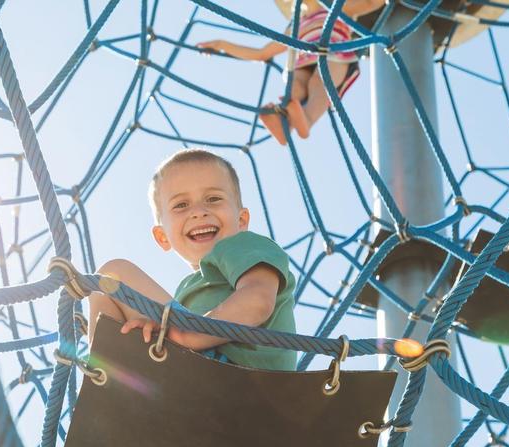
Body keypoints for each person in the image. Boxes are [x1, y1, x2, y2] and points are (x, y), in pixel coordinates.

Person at [88, 148, 297, 371]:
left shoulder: (245, 245)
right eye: (181, 205)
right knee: (108, 297)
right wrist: (157, 330)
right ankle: (110, 378)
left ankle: (103, 380)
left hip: (236, 374)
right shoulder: (188, 289)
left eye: (213, 199)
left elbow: (257, 301)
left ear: (242, 219)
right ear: (162, 237)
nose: (198, 212)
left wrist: (186, 334)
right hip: (196, 382)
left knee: (113, 275)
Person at [197, 0, 384, 145]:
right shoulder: (296, 25)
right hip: (304, 62)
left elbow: (371, 3)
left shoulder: (337, 8)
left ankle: (307, 121)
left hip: (336, 57)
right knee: (295, 87)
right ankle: (284, 125)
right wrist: (222, 44)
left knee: (319, 83)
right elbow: (262, 53)